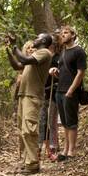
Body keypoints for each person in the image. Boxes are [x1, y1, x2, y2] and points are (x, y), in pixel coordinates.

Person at [5, 33, 54, 175]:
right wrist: (8, 50)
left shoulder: (44, 53)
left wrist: (15, 46)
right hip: (23, 95)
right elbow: (17, 65)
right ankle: (27, 162)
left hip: (32, 96)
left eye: (38, 38)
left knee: (29, 130)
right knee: (22, 131)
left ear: (44, 41)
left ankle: (32, 164)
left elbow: (24, 59)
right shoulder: (34, 56)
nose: (34, 39)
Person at [49, 26, 86, 161]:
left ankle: (71, 150)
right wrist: (55, 72)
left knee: (71, 122)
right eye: (62, 33)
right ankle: (65, 149)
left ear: (73, 35)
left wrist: (71, 90)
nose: (63, 35)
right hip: (59, 91)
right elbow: (64, 73)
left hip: (70, 92)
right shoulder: (63, 52)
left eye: (66, 33)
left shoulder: (79, 51)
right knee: (64, 122)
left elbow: (80, 73)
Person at [39, 31, 61, 161]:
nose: (51, 45)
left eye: (52, 43)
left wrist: (55, 72)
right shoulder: (43, 56)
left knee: (52, 120)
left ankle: (53, 146)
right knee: (42, 120)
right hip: (42, 92)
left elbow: (62, 73)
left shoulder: (58, 57)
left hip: (54, 91)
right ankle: (40, 147)